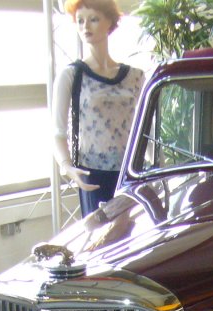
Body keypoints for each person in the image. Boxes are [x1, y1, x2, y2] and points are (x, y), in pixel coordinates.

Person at [52, 0, 144, 217]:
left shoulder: (135, 77)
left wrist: (156, 167)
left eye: (93, 19)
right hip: (93, 174)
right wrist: (68, 167)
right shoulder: (72, 76)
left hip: (131, 172)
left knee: (134, 238)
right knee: (99, 241)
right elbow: (57, 132)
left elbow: (144, 129)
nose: (86, 27)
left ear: (109, 21)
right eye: (80, 21)